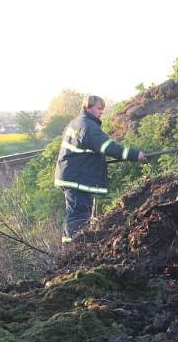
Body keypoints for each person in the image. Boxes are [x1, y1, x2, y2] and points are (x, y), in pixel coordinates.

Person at [54, 95, 148, 243]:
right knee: (78, 216)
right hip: (77, 178)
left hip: (72, 176)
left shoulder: (77, 123)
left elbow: (85, 152)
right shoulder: (88, 127)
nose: (101, 112)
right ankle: (72, 250)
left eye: (102, 109)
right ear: (88, 107)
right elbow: (107, 147)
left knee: (78, 214)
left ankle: (74, 248)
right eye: (98, 108)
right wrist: (135, 155)